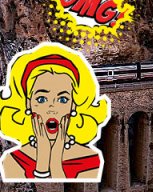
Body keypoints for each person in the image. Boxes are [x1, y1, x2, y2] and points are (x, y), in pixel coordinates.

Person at [0, 43, 110, 180]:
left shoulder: (91, 159)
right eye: (41, 99)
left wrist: (56, 158)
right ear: (28, 104)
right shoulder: (12, 161)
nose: (52, 108)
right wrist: (42, 161)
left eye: (63, 99)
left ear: (74, 105)